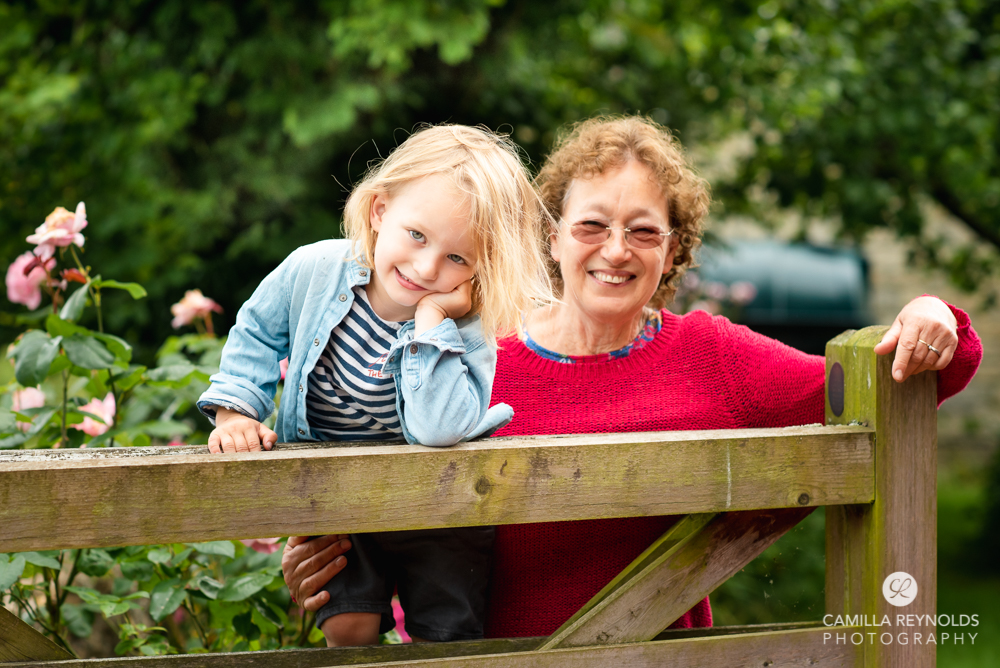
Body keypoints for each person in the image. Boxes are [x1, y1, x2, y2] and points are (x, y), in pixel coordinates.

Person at [281, 116, 983, 638]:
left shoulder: (713, 355)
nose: (616, 251)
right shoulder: (468, 359)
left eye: (644, 231)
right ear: (551, 235)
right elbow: (384, 497)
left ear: (672, 249)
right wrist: (325, 562)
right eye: (591, 225)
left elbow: (882, 389)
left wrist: (932, 315)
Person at [197, 124, 551, 646]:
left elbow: (437, 429)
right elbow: (256, 329)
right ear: (380, 211)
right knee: (349, 624)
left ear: (481, 269)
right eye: (417, 235)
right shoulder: (314, 269)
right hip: (337, 492)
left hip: (437, 505)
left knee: (448, 639)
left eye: (458, 258)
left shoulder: (465, 329)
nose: (426, 267)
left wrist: (432, 320)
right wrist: (235, 413)